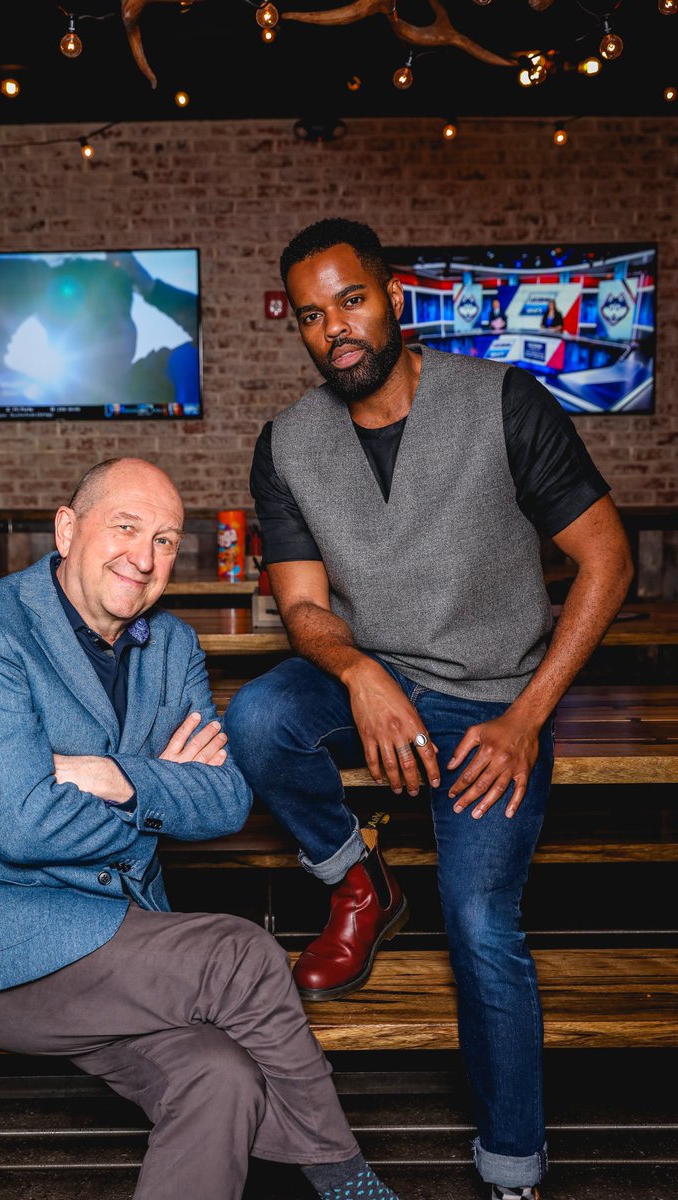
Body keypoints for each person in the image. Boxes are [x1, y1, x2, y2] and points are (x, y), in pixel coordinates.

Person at [225, 219, 633, 1200]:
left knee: (480, 922)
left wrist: (527, 715)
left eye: (351, 302)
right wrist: (358, 673)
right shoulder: (286, 443)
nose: (336, 333)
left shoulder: (499, 401)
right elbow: (303, 606)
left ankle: (511, 1171)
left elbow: (606, 560)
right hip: (369, 672)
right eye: (312, 317)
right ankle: (356, 882)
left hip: (495, 698)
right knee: (255, 721)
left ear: (392, 296)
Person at [0, 456, 402, 1200]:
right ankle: (346, 1181)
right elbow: (23, 826)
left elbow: (227, 800)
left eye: (166, 539)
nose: (145, 555)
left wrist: (115, 775)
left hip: (116, 948)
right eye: (125, 527)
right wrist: (159, 794)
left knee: (220, 1077)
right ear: (67, 530)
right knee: (242, 954)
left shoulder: (172, 647)